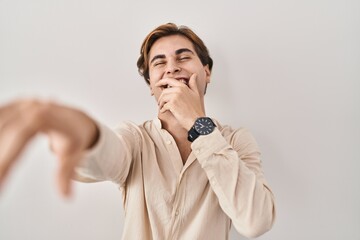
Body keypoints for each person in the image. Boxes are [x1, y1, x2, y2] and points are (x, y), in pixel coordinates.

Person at [0, 23, 275, 239]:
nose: (172, 67)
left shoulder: (237, 141)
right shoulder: (136, 140)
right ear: (151, 85)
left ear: (207, 72)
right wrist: (82, 132)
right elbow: (106, 154)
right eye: (159, 62)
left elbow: (255, 221)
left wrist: (198, 124)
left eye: (183, 57)